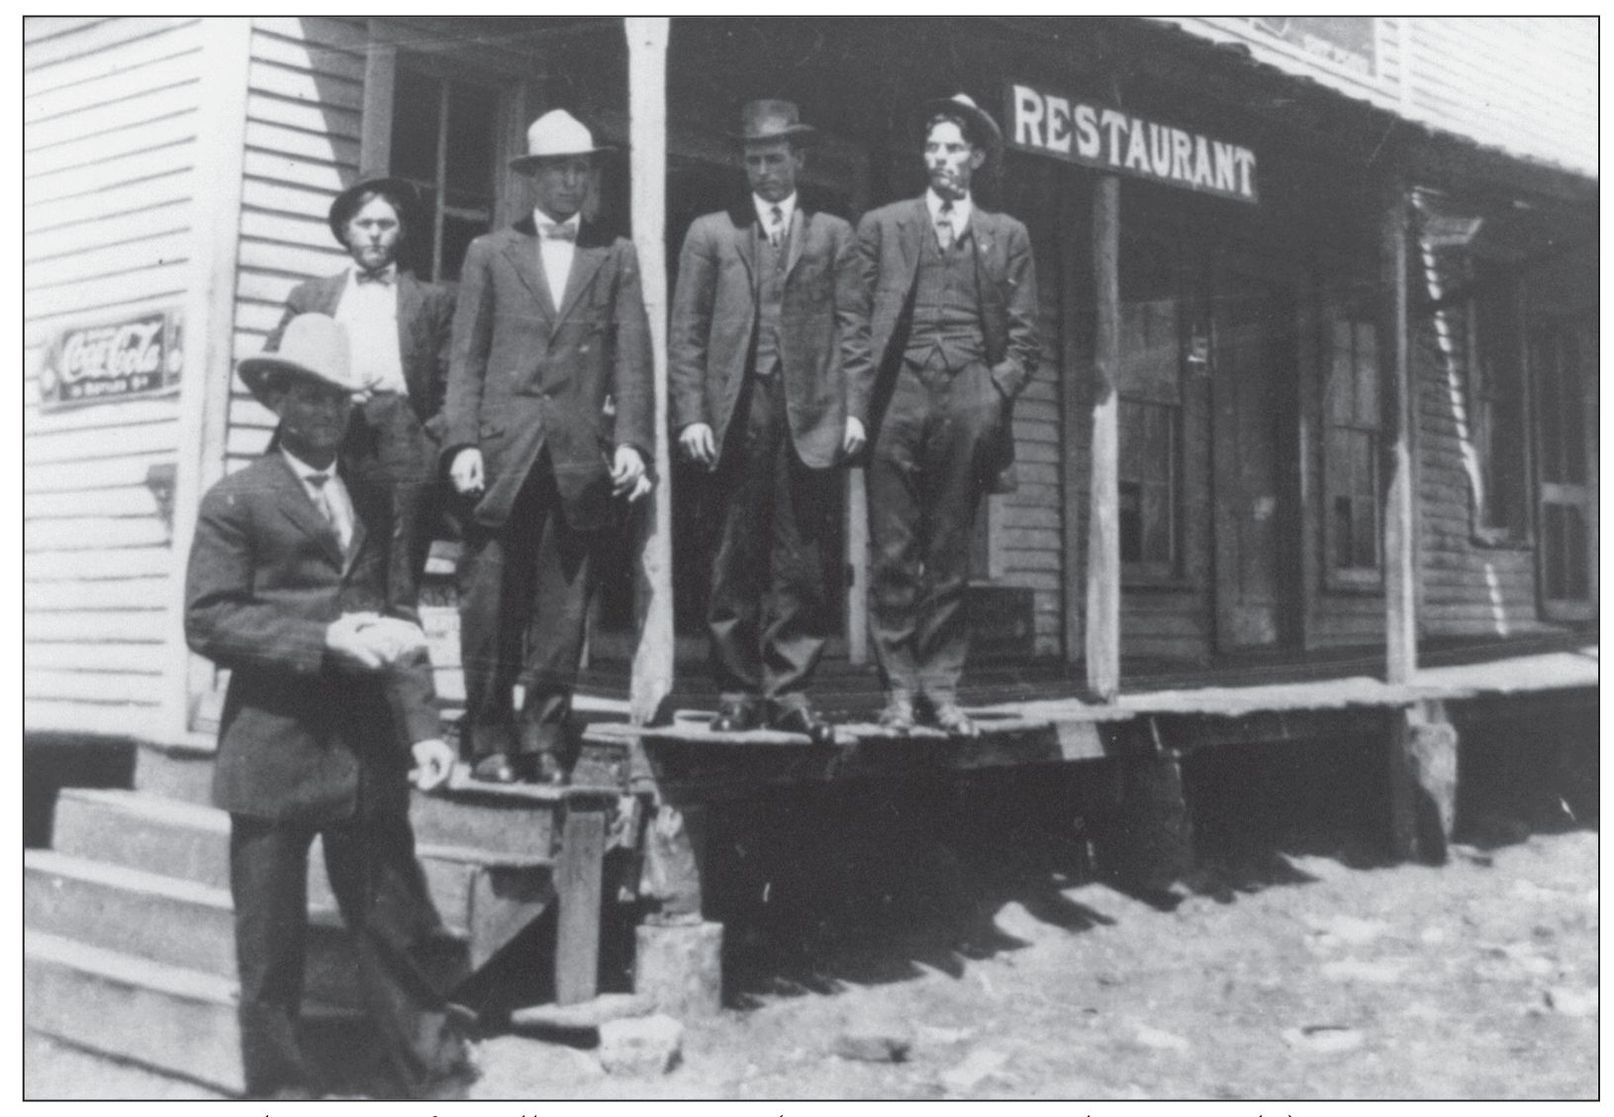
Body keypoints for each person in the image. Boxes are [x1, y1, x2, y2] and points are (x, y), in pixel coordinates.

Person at [185, 314, 473, 1100]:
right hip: (272, 752)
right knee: (271, 951)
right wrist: (323, 640)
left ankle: (435, 1075)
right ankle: (280, 1087)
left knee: (394, 929)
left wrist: (425, 728)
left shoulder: (373, 500)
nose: (322, 414)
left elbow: (398, 616)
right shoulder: (237, 500)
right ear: (276, 397)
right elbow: (209, 619)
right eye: (307, 397)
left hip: (363, 756)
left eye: (336, 400)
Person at [442, 109, 654, 785]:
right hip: (501, 455)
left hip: (576, 456)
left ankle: (542, 733)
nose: (571, 180)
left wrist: (633, 443)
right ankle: (488, 733)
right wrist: (461, 443)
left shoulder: (613, 254)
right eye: (557, 168)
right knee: (488, 603)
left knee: (564, 609)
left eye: (581, 168)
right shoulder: (489, 253)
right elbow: (465, 361)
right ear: (532, 178)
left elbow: (633, 359)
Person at [844, 93, 1041, 738]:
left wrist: (992, 394)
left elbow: (1024, 340)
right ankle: (898, 691)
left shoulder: (1006, 235)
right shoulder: (883, 225)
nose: (942, 160)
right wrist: (858, 401)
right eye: (933, 148)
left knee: (950, 550)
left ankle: (942, 690)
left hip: (967, 396)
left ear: (977, 158)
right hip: (896, 397)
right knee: (893, 550)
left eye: (955, 148)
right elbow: (853, 323)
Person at [669, 100, 861, 745]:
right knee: (731, 552)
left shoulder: (833, 232)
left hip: (809, 411)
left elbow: (855, 333)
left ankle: (790, 692)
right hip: (734, 411)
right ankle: (735, 691)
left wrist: (854, 412)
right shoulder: (711, 233)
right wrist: (691, 413)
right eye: (753, 159)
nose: (764, 172)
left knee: (800, 557)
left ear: (799, 160)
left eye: (775, 158)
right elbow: (687, 334)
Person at [265, 174, 455, 613]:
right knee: (323, 552)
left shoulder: (432, 301)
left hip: (403, 440)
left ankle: (393, 665)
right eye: (364, 223)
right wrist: (331, 391)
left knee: (397, 571)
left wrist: (430, 440)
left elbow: (453, 382)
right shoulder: (311, 296)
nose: (374, 233)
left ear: (402, 231)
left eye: (386, 224)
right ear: (346, 231)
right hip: (326, 433)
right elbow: (274, 366)